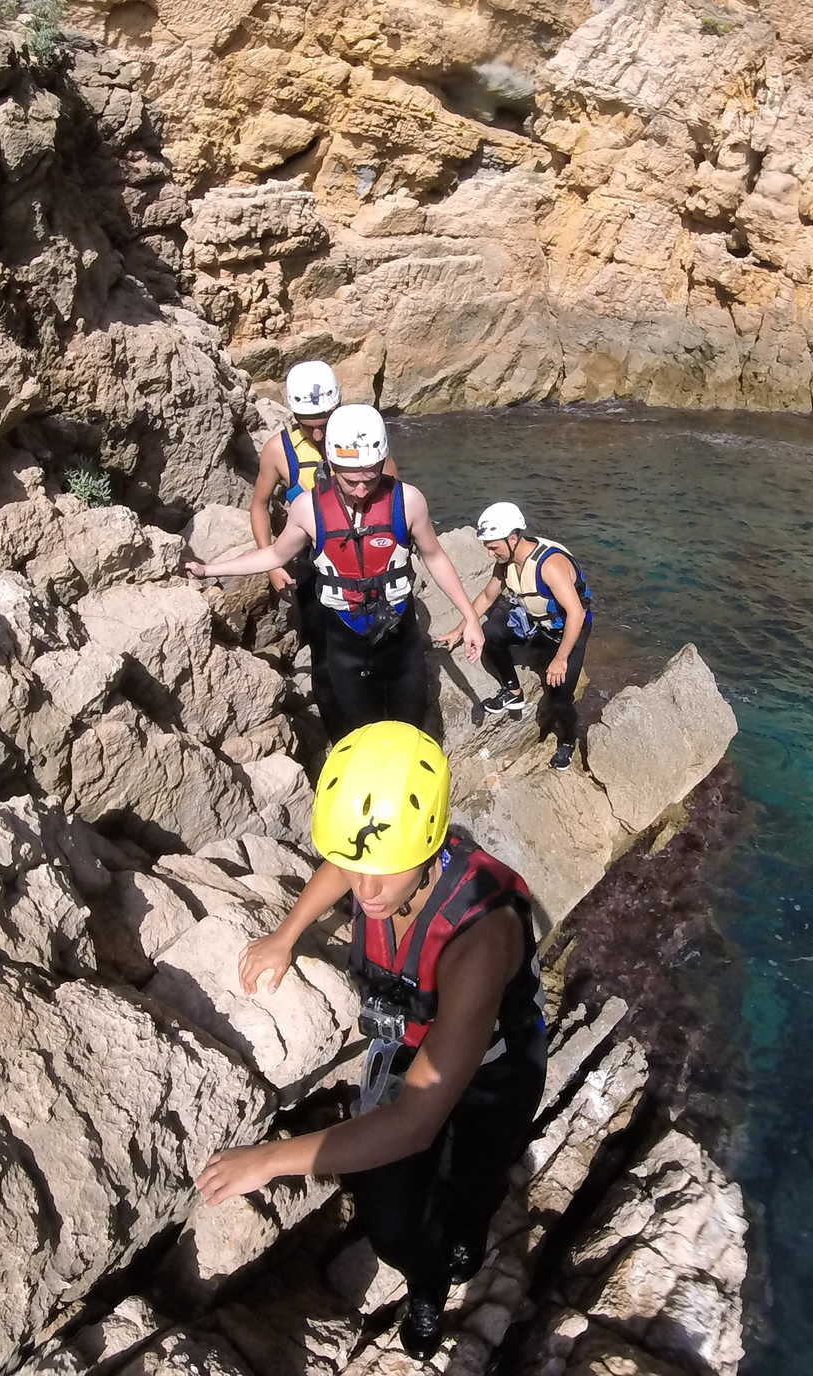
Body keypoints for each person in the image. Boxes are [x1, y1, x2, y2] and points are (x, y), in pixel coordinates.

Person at [195, 722, 546, 1360]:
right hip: (412, 1046)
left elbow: (413, 1123)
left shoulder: (479, 937)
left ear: (433, 840)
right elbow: (349, 863)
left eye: (383, 873)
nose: (367, 891)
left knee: (474, 1176)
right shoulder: (379, 868)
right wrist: (286, 932)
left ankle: (456, 1249)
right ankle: (426, 1274)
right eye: (359, 870)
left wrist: (269, 1160)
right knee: (390, 1225)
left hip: (494, 1071)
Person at [189, 405, 484, 738]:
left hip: (399, 632)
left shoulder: (409, 501)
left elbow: (435, 556)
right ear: (331, 464)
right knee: (359, 727)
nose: (361, 490)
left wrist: (470, 617)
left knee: (409, 720)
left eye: (370, 479)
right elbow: (274, 554)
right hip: (344, 637)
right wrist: (210, 568)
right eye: (350, 481)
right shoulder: (307, 509)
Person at [248, 363, 398, 735]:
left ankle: (386, 722)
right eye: (306, 422)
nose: (317, 432)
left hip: (371, 568)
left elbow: (396, 501)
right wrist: (270, 563)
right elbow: (259, 505)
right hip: (316, 570)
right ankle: (340, 734)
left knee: (382, 647)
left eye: (325, 421)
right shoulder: (280, 451)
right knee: (326, 656)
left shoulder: (366, 442)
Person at [439, 501, 594, 770]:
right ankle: (513, 691)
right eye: (487, 547)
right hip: (537, 625)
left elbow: (576, 614)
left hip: (567, 631)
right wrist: (459, 631)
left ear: (513, 538)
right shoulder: (507, 562)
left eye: (493, 546)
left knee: (559, 697)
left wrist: (561, 659)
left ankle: (567, 741)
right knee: (490, 633)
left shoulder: (550, 566)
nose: (490, 554)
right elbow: (488, 596)